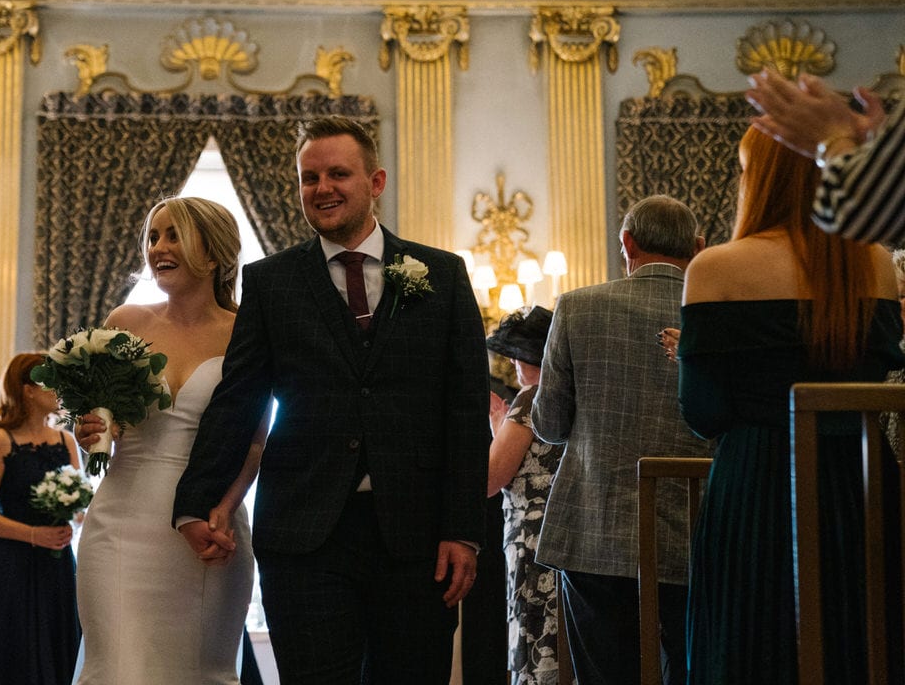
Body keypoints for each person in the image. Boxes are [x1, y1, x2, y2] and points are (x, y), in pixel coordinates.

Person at [171, 116, 489, 684]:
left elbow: (465, 411)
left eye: (339, 173)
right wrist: (196, 500)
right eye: (309, 177)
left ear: (376, 181)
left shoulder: (442, 274)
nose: (322, 188)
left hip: (417, 538)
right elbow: (238, 400)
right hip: (304, 534)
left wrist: (463, 528)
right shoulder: (270, 282)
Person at [679, 126, 903, 685]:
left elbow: (702, 411)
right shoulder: (875, 263)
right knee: (860, 645)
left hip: (759, 484)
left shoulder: (715, 269)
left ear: (759, 179)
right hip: (862, 482)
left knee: (751, 647)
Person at [73, 196, 262, 684]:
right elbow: (97, 431)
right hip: (120, 523)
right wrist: (88, 431)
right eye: (154, 236)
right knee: (117, 668)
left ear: (215, 252)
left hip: (209, 522)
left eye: (174, 235)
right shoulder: (125, 323)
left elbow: (255, 442)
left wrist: (222, 509)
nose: (159, 247)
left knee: (201, 670)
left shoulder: (247, 334)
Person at [532, 194, 712, 685]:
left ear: (626, 243)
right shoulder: (716, 318)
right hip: (692, 536)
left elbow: (548, 424)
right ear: (698, 247)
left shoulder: (576, 307)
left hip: (594, 530)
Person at [0, 353, 82, 685]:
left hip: (58, 566)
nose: (59, 388)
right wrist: (34, 535)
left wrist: (77, 518)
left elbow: (77, 503)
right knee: (16, 662)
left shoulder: (67, 440)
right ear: (28, 390)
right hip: (11, 567)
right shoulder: (0, 440)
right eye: (50, 380)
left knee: (61, 655)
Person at [483, 306, 562, 685]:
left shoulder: (530, 398)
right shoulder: (568, 395)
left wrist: (498, 427)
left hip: (532, 536)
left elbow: (491, 477)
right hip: (563, 529)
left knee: (534, 629)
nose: (513, 362)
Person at [745, 66, 905, 244]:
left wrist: (834, 141)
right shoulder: (879, 260)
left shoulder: (722, 260)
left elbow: (859, 210)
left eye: (746, 169)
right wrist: (874, 151)